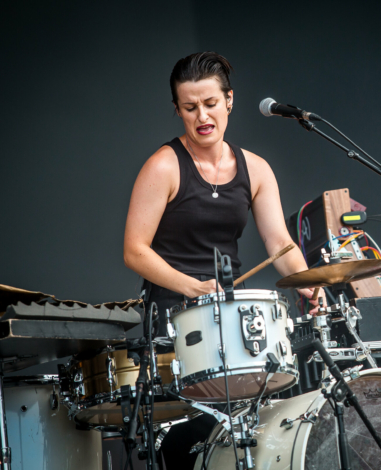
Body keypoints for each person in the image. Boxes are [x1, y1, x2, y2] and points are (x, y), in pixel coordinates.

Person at [123, 51, 322, 469]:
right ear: (177, 109)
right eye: (190, 107)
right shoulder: (164, 165)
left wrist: (307, 279)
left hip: (229, 318)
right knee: (190, 435)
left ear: (229, 100)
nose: (202, 116)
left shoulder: (257, 169)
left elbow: (280, 245)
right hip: (174, 320)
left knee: (252, 431)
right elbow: (135, 250)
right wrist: (192, 287)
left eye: (211, 104)